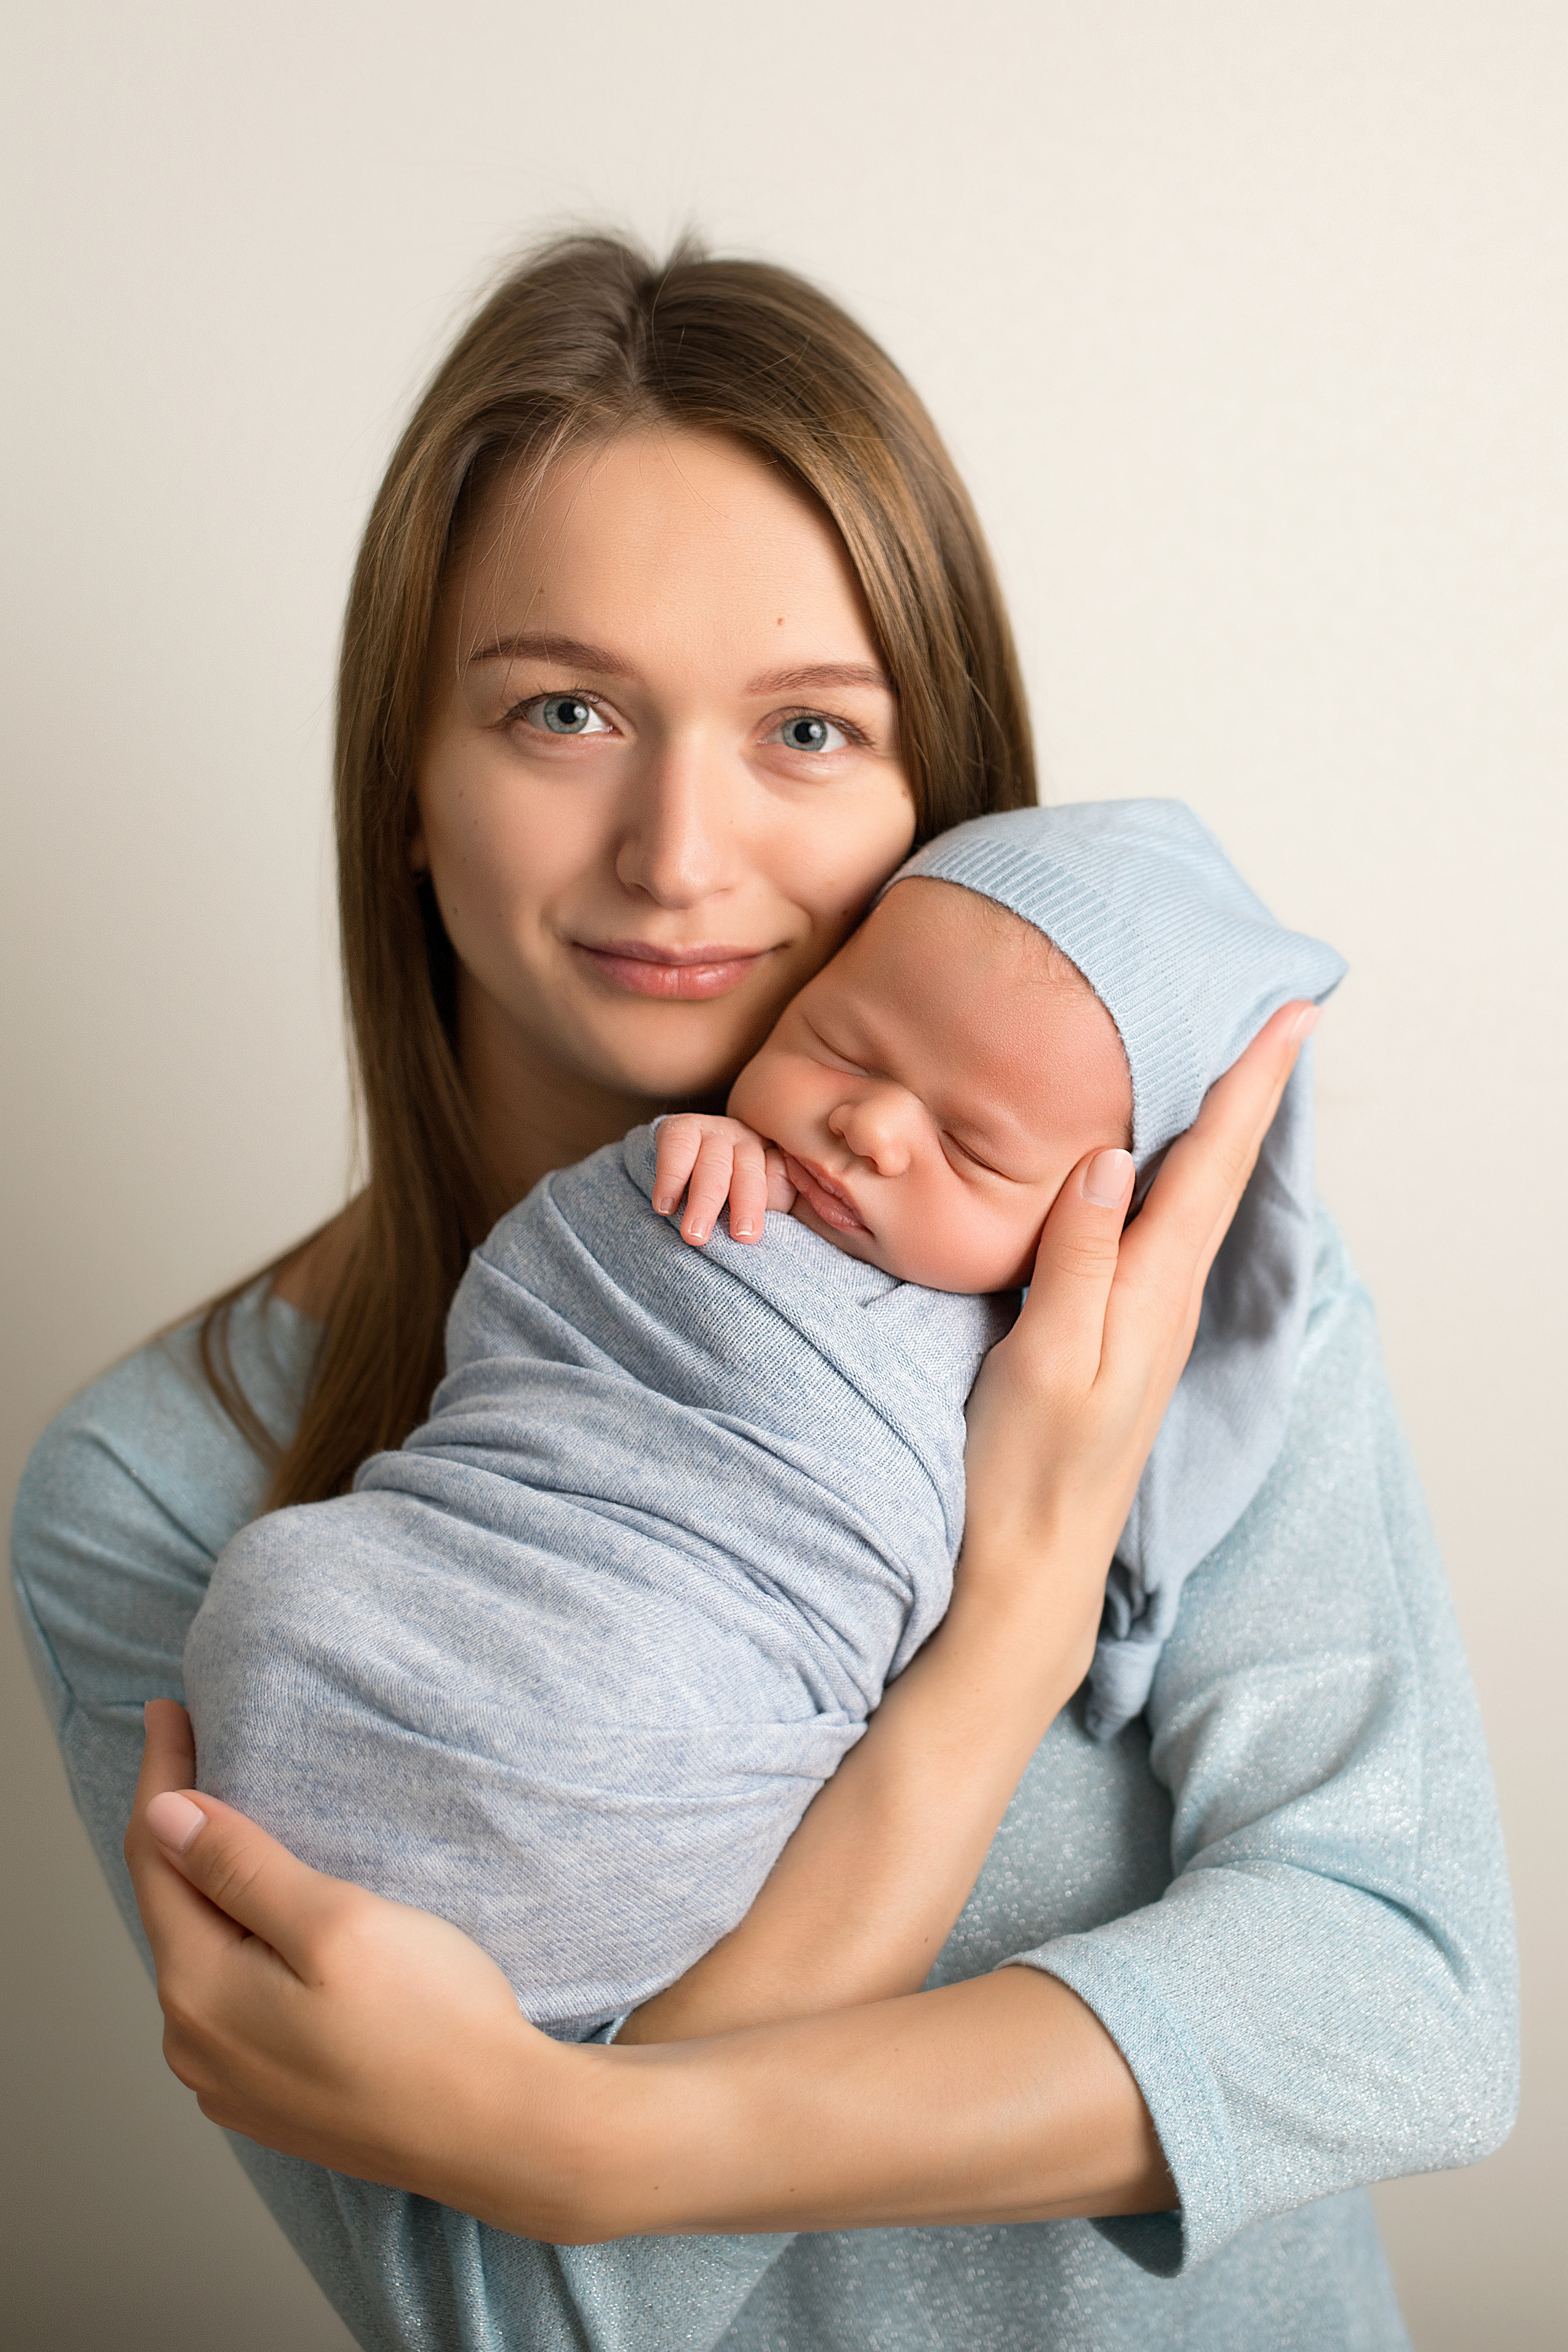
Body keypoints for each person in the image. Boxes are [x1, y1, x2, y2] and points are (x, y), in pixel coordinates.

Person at [10, 235, 1515, 2351]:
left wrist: (599, 2145)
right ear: (407, 804)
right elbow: (520, 2330)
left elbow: (1408, 2001)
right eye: (563, 710)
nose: (679, 847)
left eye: (810, 726)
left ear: (938, 809)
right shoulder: (166, 1485)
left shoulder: (1155, 1288)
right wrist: (1007, 1635)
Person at [184, 796, 1344, 2045]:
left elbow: (1402, 2010)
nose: (870, 1127)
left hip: (648, 1728)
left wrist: (1043, 1557)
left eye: (972, 1145)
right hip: (422, 1595)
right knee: (287, 1589)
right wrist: (668, 1179)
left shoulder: (1063, 1378)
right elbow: (525, 1325)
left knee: (624, 1703)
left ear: (1096, 1225)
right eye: (840, 1046)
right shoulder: (703, 1177)